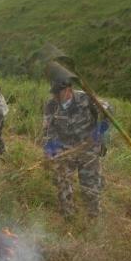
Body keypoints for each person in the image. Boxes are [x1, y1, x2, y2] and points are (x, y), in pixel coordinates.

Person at [42, 79, 111, 219]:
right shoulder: (51, 105)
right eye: (54, 93)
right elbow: (49, 131)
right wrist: (51, 151)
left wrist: (98, 132)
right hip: (66, 149)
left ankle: (93, 218)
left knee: (90, 187)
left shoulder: (87, 99)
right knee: (60, 177)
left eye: (58, 93)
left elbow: (109, 113)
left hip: (88, 148)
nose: (55, 96)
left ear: (68, 90)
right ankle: (69, 215)